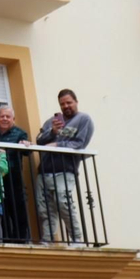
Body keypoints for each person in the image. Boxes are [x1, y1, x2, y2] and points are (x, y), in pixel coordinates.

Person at [35, 89, 94, 243]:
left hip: (65, 170)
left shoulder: (83, 119)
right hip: (44, 170)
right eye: (62, 104)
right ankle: (47, 239)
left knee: (64, 202)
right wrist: (52, 132)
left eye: (69, 102)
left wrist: (57, 144)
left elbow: (79, 144)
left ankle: (76, 239)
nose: (66, 106)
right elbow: (39, 141)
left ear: (76, 102)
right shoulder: (51, 121)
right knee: (45, 208)